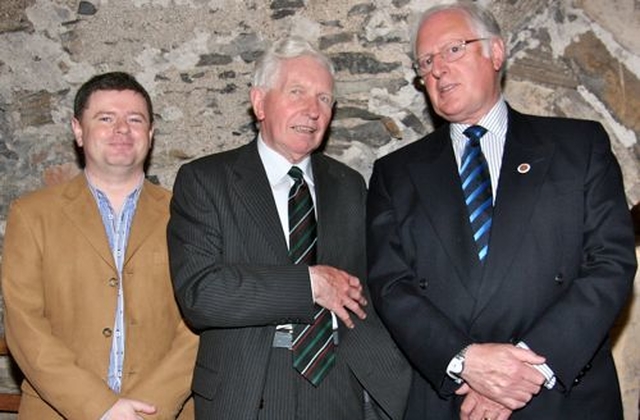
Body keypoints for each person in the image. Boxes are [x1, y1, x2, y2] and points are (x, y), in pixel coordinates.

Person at [366, 3, 636, 420]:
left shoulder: (578, 147)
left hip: (561, 394)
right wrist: (467, 362)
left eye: (453, 49)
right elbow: (390, 285)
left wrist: (522, 370)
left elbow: (611, 262)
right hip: (452, 398)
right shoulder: (395, 173)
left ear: (496, 52)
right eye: (425, 61)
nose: (437, 69)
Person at [167, 36, 411, 420]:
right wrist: (309, 285)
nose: (312, 110)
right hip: (250, 388)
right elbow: (201, 294)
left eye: (324, 99)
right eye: (297, 92)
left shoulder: (349, 185)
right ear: (259, 102)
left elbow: (374, 287)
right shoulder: (206, 180)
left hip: (339, 381)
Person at [1, 71, 198, 419]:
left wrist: (147, 408)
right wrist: (100, 408)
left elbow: (202, 322)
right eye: (106, 118)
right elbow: (24, 325)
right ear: (78, 130)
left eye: (135, 119)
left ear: (150, 134)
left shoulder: (191, 214)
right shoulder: (32, 215)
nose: (122, 129)